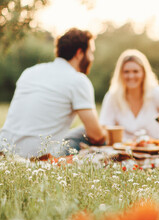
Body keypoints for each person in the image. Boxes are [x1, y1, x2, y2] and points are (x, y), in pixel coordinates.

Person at [0, 28, 106, 158]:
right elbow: (96, 136)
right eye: (91, 52)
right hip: (37, 158)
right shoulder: (78, 80)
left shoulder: (30, 72)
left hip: (4, 151)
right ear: (79, 53)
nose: (92, 58)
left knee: (71, 136)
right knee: (92, 133)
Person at [99, 49, 159, 141]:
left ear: (144, 73)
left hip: (154, 150)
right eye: (126, 72)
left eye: (135, 71)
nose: (131, 76)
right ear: (120, 74)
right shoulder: (112, 96)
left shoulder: (157, 92)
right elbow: (104, 126)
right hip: (123, 151)